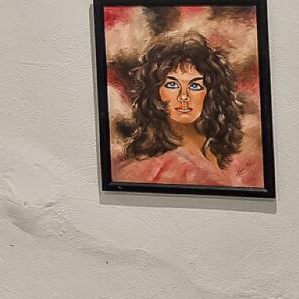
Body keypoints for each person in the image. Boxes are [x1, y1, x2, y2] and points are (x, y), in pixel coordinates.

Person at [108, 29, 264, 189]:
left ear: (211, 94)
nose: (184, 96)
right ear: (155, 93)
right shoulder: (151, 170)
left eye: (195, 86)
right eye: (172, 85)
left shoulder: (234, 161)